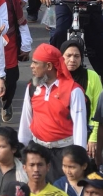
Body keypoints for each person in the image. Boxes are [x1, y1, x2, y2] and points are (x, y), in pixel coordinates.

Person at [19, 41, 87, 183]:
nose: (31, 66)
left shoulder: (73, 90)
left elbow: (80, 127)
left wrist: (78, 160)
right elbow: (25, 121)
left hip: (63, 154)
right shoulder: (32, 87)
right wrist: (21, 152)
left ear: (49, 66)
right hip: (37, 151)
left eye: (36, 63)